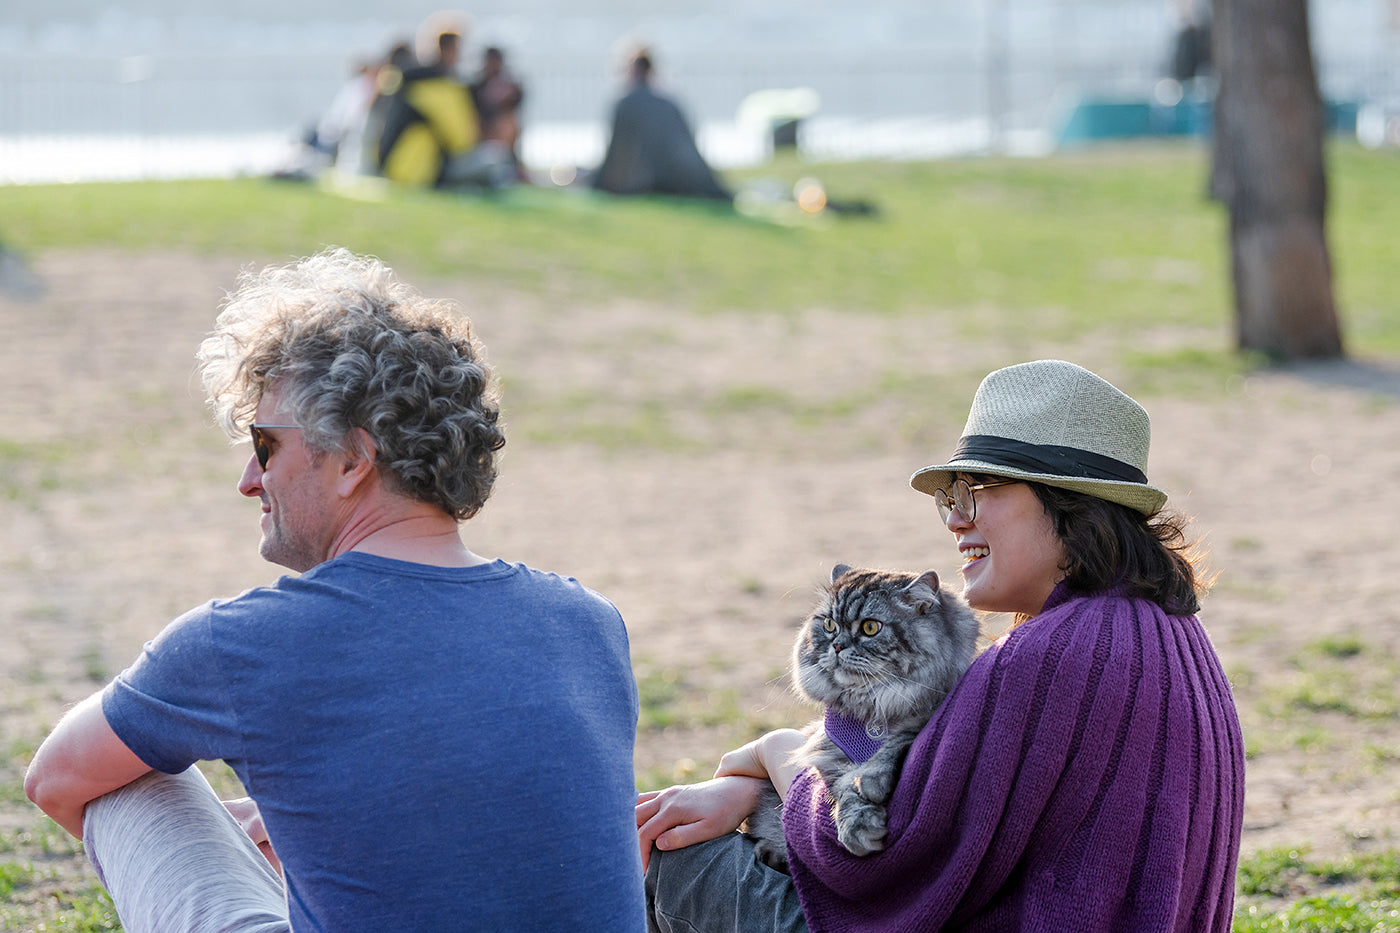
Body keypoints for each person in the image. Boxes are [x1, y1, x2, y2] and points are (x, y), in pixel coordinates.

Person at [25, 248, 647, 932]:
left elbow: (55, 780)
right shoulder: (589, 621)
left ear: (353, 459)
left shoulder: (242, 643)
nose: (249, 480)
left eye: (266, 445)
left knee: (125, 776)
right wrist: (313, 815)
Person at [636, 359, 1245, 932]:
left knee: (675, 854)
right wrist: (754, 790)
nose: (956, 519)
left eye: (977, 491)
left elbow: (872, 860)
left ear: (1070, 505)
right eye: (950, 498)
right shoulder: (1167, 631)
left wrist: (776, 754)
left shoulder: (1047, 657)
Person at [376, 26, 513, 189]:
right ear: (447, 49)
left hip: (396, 166)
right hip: (418, 171)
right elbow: (461, 140)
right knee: (496, 157)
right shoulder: (437, 85)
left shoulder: (410, 80)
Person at [591, 48, 731, 201]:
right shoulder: (670, 103)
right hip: (684, 180)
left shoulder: (627, 104)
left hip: (648, 183)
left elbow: (616, 155)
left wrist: (595, 184)